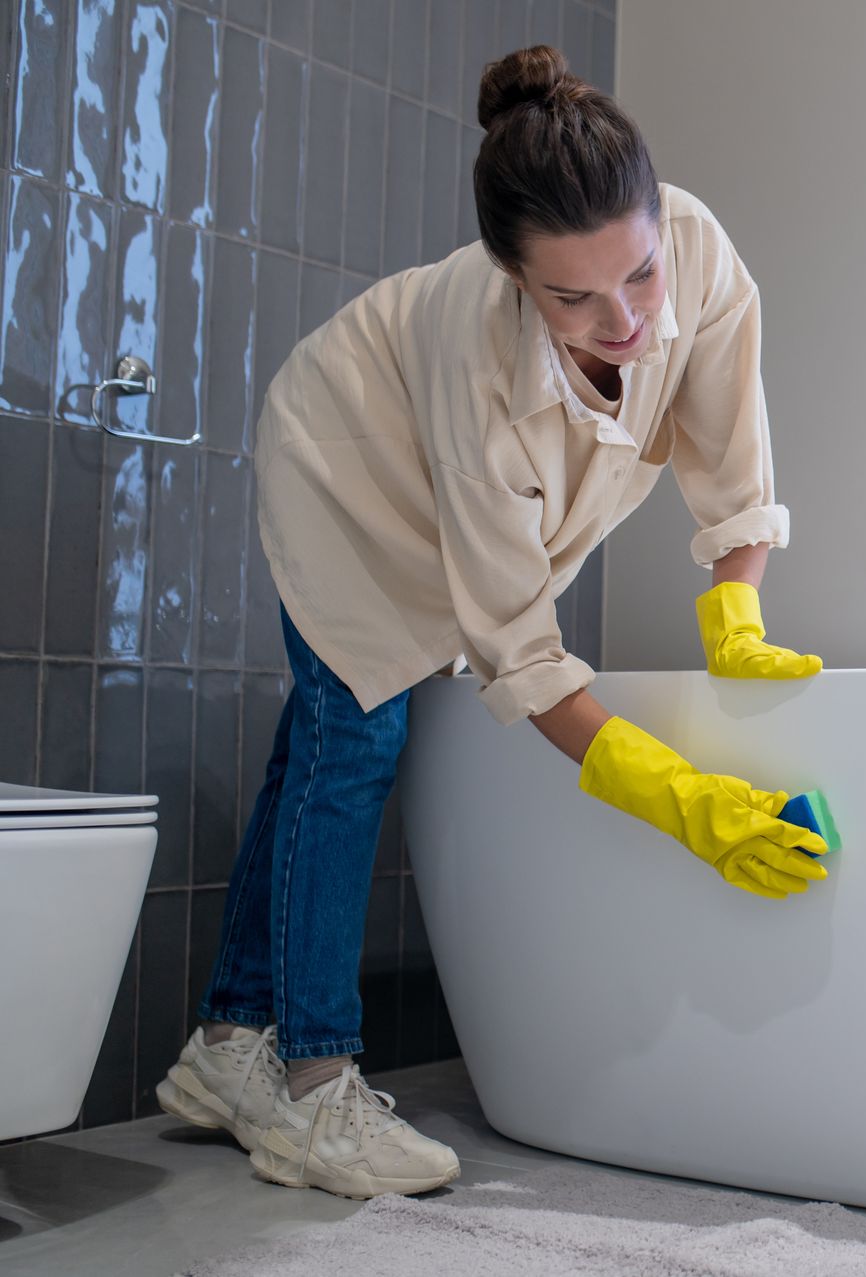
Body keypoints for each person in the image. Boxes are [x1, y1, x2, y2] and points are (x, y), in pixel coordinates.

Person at [149, 45, 828, 1200]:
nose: (623, 318)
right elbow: (520, 648)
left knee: (318, 739)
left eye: (641, 278)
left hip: (431, 470)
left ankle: (225, 1047)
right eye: (574, 297)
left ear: (659, 222)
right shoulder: (476, 358)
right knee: (355, 734)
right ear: (513, 278)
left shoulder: (697, 247)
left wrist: (737, 600)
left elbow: (730, 443)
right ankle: (314, 1088)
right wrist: (679, 798)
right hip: (351, 462)